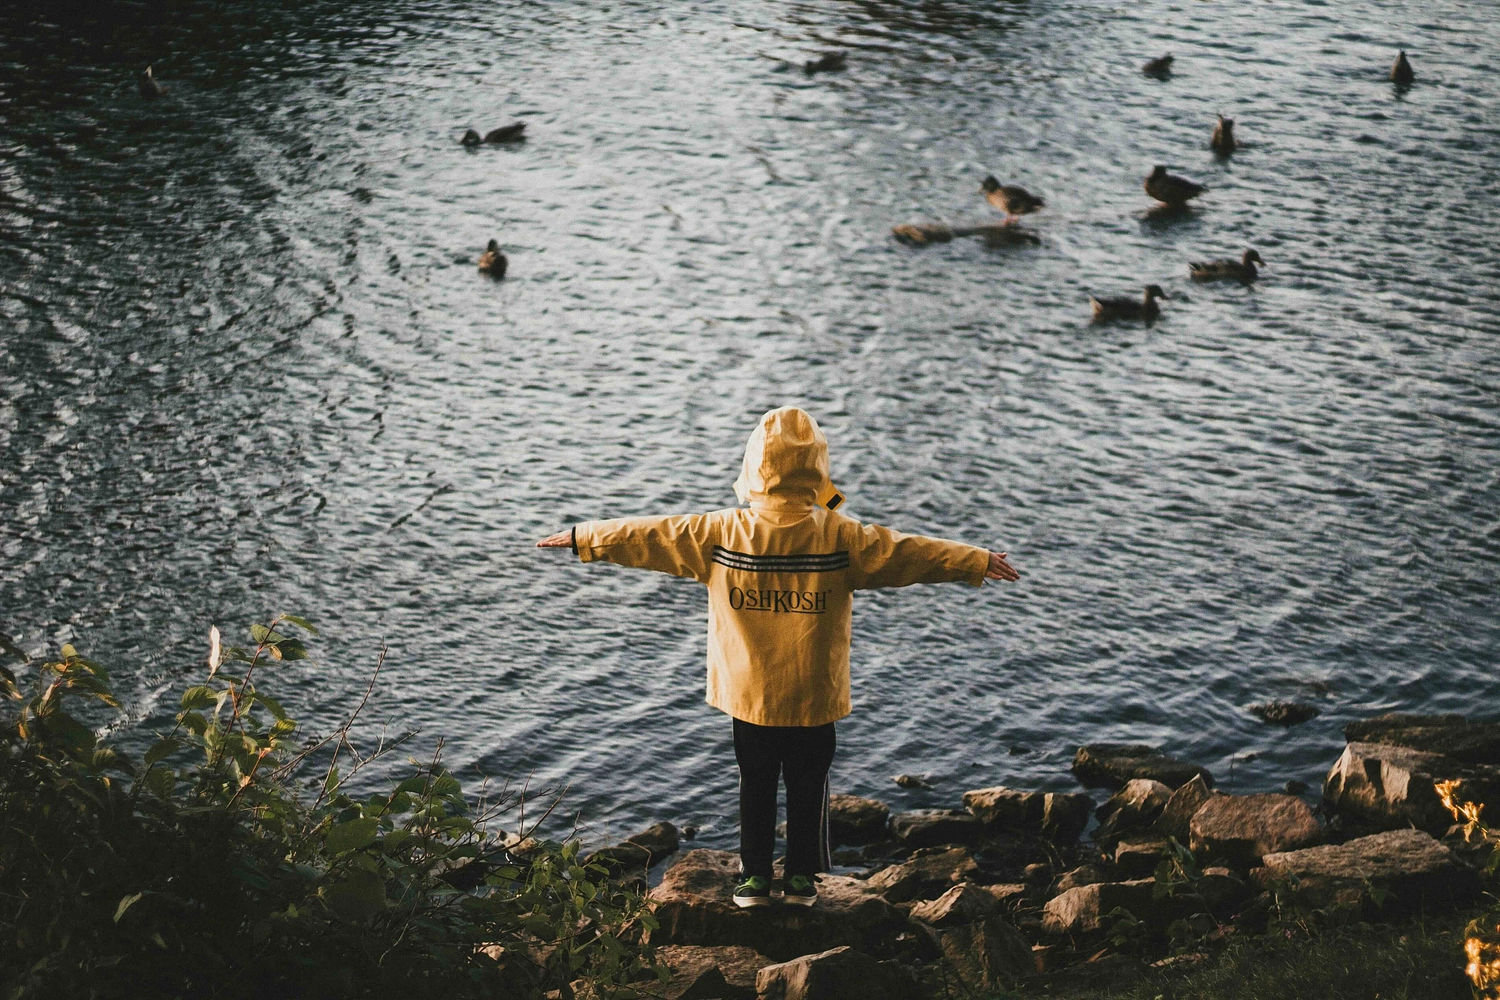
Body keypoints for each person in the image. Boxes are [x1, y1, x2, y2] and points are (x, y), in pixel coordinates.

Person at [538, 407, 1019, 908]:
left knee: (756, 786)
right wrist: (974, 559)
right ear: (815, 467)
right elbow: (908, 552)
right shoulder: (841, 535)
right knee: (809, 787)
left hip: (752, 696)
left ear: (753, 466)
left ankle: (753, 882)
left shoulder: (720, 533)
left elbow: (651, 534)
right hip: (814, 693)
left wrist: (583, 536)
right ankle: (800, 880)